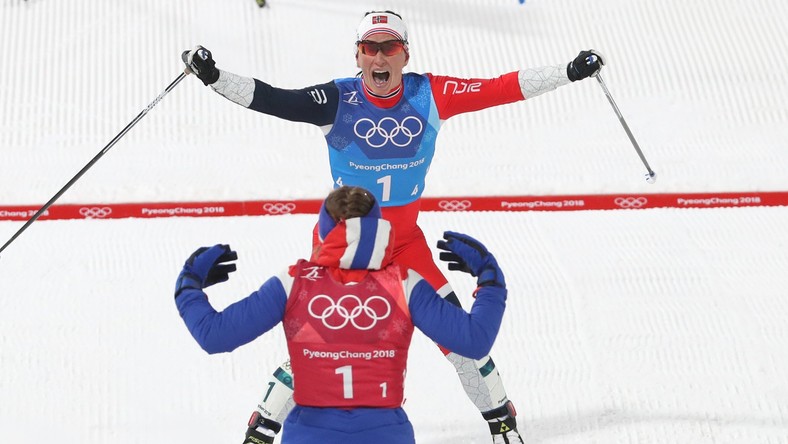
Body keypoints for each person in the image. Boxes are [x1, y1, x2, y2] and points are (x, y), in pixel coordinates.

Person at [182, 10, 603, 443]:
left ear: (405, 55)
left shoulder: (430, 94)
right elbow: (274, 99)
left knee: (460, 342)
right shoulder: (336, 100)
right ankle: (263, 427)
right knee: (319, 342)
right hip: (343, 248)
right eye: (370, 48)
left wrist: (569, 72)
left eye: (390, 47)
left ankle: (501, 422)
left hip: (403, 247)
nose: (379, 58)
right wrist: (214, 77)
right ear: (358, 56)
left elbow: (500, 88)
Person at [175, 186, 509, 444]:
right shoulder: (404, 284)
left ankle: (261, 428)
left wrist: (189, 286)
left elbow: (213, 336)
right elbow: (474, 341)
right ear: (380, 230)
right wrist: (489, 278)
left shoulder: (294, 282)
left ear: (322, 233)